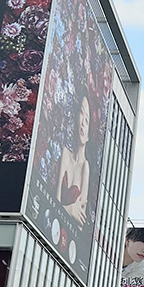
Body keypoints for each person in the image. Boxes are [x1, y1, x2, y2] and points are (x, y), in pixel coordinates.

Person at [56, 92, 91, 224]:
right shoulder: (65, 154)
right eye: (82, 113)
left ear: (88, 136)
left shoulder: (85, 167)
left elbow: (80, 219)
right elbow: (56, 200)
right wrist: (69, 210)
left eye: (87, 121)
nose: (83, 123)